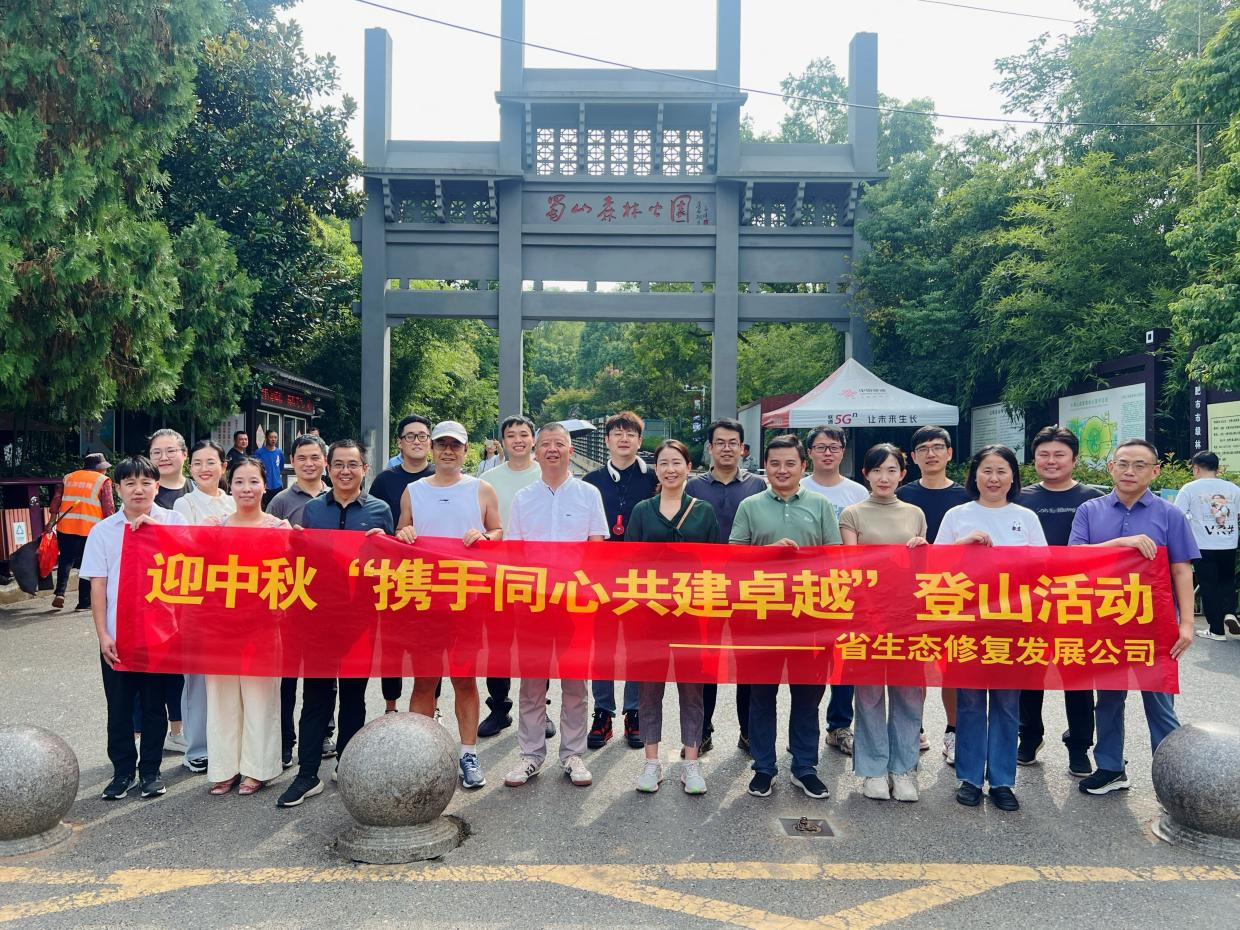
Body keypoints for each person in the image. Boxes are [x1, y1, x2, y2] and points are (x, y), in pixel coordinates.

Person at [1070, 438, 1198, 796]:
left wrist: (1187, 624)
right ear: (1111, 467)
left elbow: (1182, 570)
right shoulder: (1090, 510)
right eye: (1123, 463)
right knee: (1109, 699)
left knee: (1159, 701)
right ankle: (1111, 767)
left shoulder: (1170, 514)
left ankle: (1173, 780)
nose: (1130, 471)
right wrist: (1121, 543)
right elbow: (1075, 558)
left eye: (1140, 465)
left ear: (1155, 471)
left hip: (1156, 625)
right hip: (1105, 621)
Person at [276, 440, 394, 808]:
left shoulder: (380, 510)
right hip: (319, 619)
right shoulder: (313, 510)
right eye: (339, 464)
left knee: (354, 697)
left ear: (364, 469)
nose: (345, 471)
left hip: (360, 619)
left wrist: (386, 543)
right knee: (316, 697)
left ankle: (348, 764)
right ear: (329, 469)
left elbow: (392, 567)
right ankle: (307, 773)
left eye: (353, 464)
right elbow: (301, 562)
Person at [936, 444, 1047, 812]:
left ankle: (1002, 781)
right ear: (975, 475)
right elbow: (935, 569)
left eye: (1001, 471)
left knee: (1006, 703)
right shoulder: (957, 515)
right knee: (969, 702)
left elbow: (1044, 568)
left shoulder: (1026, 518)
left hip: (1012, 627)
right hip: (966, 625)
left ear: (1013, 477)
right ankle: (969, 778)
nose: (994, 478)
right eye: (987, 470)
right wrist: (963, 545)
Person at [731, 434, 840, 801]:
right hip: (762, 618)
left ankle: (805, 766)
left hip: (810, 617)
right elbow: (733, 559)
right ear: (766, 466)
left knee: (808, 696)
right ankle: (764, 767)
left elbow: (835, 556)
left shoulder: (821, 505)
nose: (782, 470)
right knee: (762, 696)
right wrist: (768, 553)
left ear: (803, 466)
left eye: (790, 463)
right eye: (775, 464)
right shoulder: (750, 506)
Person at [394, 420, 501, 790]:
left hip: (466, 600)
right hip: (424, 599)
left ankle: (468, 753)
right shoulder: (413, 490)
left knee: (464, 678)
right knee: (424, 680)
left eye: (455, 445)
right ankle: (420, 755)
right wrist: (404, 532)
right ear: (432, 449)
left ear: (466, 450)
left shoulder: (481, 489)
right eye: (441, 444)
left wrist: (485, 536)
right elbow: (401, 533)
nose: (448, 451)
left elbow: (498, 532)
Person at [503, 423, 608, 790]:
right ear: (536, 450)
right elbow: (514, 552)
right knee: (532, 682)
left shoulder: (589, 494)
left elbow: (597, 548)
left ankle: (573, 754)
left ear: (569, 449)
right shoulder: (523, 498)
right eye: (545, 444)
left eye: (559, 444)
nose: (552, 449)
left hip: (574, 603)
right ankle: (530, 755)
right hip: (533, 604)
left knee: (575, 682)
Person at [78, 455, 188, 801]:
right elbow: (98, 587)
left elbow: (194, 559)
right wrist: (103, 635)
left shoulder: (174, 521)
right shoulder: (103, 531)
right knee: (120, 708)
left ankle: (151, 772)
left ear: (157, 485)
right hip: (117, 636)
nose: (138, 490)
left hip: (160, 635)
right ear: (118, 488)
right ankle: (123, 771)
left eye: (145, 482)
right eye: (130, 483)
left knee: (155, 706)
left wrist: (157, 531)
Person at [626, 439, 720, 795]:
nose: (670, 469)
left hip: (691, 614)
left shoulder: (704, 512)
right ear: (656, 469)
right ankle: (651, 762)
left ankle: (691, 763)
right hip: (649, 615)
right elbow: (628, 564)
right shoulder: (642, 510)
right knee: (649, 690)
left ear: (688, 467)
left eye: (677, 462)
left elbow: (716, 565)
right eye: (663, 463)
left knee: (692, 690)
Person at [839, 444, 928, 802]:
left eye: (891, 470)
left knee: (909, 693)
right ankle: (873, 769)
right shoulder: (852, 514)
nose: (884, 477)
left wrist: (921, 552)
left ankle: (903, 769)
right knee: (870, 694)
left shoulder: (915, 513)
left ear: (903, 474)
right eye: (876, 470)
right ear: (866, 474)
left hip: (907, 617)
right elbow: (851, 566)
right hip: (866, 616)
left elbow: (924, 572)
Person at [1018, 425, 1104, 775]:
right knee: (1028, 672)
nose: (1051, 461)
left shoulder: (1094, 499)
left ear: (1074, 459)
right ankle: (1028, 736)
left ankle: (1080, 746)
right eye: (1044, 454)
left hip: (1077, 600)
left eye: (1059, 454)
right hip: (1029, 600)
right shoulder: (1019, 498)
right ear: (1034, 458)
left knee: (1078, 677)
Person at [202, 456, 288, 796]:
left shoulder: (279, 529)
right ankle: (223, 768)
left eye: (254, 481)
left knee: (260, 697)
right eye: (239, 481)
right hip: (220, 625)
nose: (246, 488)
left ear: (265, 485)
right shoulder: (214, 527)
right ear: (230, 485)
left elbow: (289, 577)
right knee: (220, 698)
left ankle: (258, 769)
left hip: (262, 625)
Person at [686, 417, 766, 754]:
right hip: (705, 587)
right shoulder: (693, 487)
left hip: (749, 588)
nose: (727, 448)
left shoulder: (759, 486)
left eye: (733, 443)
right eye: (720, 442)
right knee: (705, 661)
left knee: (748, 662)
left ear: (743, 448)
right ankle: (702, 731)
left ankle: (748, 732)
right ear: (710, 447)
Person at [582, 411, 657, 750]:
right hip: (601, 576)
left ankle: (634, 711)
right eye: (617, 433)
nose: (624, 439)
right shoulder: (591, 482)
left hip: (643, 576)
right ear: (607, 440)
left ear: (640, 441)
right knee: (603, 646)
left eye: (630, 434)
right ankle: (603, 711)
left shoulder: (653, 479)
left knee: (638, 644)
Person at [897, 425, 970, 765]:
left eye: (938, 447)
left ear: (949, 453)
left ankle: (953, 731)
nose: (931, 453)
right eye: (923, 448)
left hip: (956, 590)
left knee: (951, 665)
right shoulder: (902, 495)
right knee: (915, 664)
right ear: (913, 457)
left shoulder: (966, 496)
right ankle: (915, 726)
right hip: (910, 591)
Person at [169, 440, 237, 773]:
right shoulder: (184, 504)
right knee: (196, 678)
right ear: (189, 468)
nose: (204, 469)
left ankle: (227, 743)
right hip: (197, 600)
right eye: (197, 463)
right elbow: (182, 547)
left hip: (233, 599)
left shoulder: (233, 499)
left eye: (211, 462)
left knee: (229, 676)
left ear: (224, 466)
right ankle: (197, 747)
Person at [801, 425, 868, 760]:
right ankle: (803, 729)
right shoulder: (797, 487)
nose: (828, 453)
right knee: (809, 663)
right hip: (805, 587)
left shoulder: (858, 492)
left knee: (846, 660)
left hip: (847, 588)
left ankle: (839, 725)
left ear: (843, 451)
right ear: (809, 452)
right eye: (821, 447)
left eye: (834, 447)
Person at [267, 433, 333, 768]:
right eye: (302, 458)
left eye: (315, 457)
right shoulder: (280, 501)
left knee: (323, 674)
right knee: (287, 677)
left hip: (327, 602)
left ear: (325, 461)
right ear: (291, 461)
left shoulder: (337, 497)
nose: (309, 464)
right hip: (289, 598)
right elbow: (265, 547)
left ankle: (323, 734)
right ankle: (284, 741)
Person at [478, 415, 545, 738]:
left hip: (539, 574)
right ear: (502, 441)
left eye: (523, 434)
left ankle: (539, 708)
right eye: (511, 435)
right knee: (498, 645)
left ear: (533, 439)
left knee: (537, 644)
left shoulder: (547, 473)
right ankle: (499, 708)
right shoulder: (488, 479)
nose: (518, 440)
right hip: (497, 573)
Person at [368, 414, 435, 714]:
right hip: (392, 574)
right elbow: (373, 519)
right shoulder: (385, 480)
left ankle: (431, 706)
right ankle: (390, 707)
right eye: (410, 436)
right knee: (392, 646)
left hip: (433, 574)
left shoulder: (442, 476)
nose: (417, 441)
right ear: (400, 442)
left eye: (422, 436)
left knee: (431, 647)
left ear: (430, 442)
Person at [143, 429, 190, 758]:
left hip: (188, 594)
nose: (164, 457)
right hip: (151, 592)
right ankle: (142, 734)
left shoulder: (197, 489)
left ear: (184, 454)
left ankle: (178, 730)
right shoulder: (143, 490)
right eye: (156, 452)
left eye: (171, 451)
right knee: (145, 668)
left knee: (180, 669)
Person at [1174, 450, 1240, 641]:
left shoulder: (1190, 488)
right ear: (1217, 469)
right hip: (1228, 544)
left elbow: (1177, 515)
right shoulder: (1233, 488)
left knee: (1208, 585)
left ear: (1196, 468)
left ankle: (1216, 630)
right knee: (1227, 580)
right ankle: (1230, 612)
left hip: (1203, 544)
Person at [52, 452, 114, 611]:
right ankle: (83, 602)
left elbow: (57, 500)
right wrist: (111, 528)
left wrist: (51, 521)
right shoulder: (102, 480)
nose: (105, 470)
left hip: (66, 526)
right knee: (88, 564)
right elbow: (108, 507)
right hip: (90, 529)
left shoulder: (69, 477)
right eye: (104, 467)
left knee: (66, 559)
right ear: (98, 468)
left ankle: (60, 593)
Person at [255, 430, 286, 508]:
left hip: (277, 486)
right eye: (271, 437)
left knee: (278, 508)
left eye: (275, 437)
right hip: (265, 486)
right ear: (266, 438)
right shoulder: (259, 452)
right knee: (265, 508)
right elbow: (256, 469)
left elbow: (281, 468)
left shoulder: (280, 452)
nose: (273, 439)